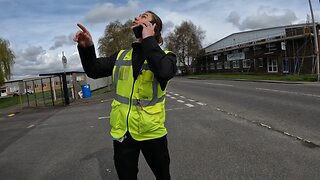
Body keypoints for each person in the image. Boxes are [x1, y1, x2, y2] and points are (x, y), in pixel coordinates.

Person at [74, 11, 177, 180]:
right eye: (137, 16)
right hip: (123, 132)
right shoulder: (121, 56)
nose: (136, 18)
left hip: (152, 132)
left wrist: (149, 40)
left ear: (153, 27)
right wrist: (87, 48)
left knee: (163, 176)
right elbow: (93, 69)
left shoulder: (167, 57)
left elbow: (164, 72)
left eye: (143, 17)